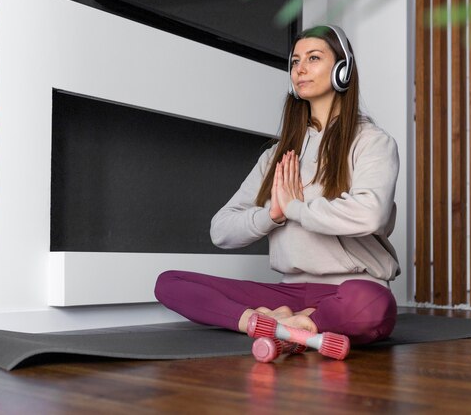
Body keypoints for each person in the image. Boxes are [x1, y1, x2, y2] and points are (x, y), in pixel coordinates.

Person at [154, 25, 400, 345]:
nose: (300, 69)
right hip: (287, 293)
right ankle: (266, 323)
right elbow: (221, 229)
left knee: (371, 305)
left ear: (343, 70)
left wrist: (296, 208)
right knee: (170, 282)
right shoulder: (276, 157)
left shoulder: (372, 142)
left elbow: (371, 215)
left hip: (350, 290)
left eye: (313, 58)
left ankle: (301, 324)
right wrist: (273, 215)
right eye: (295, 61)